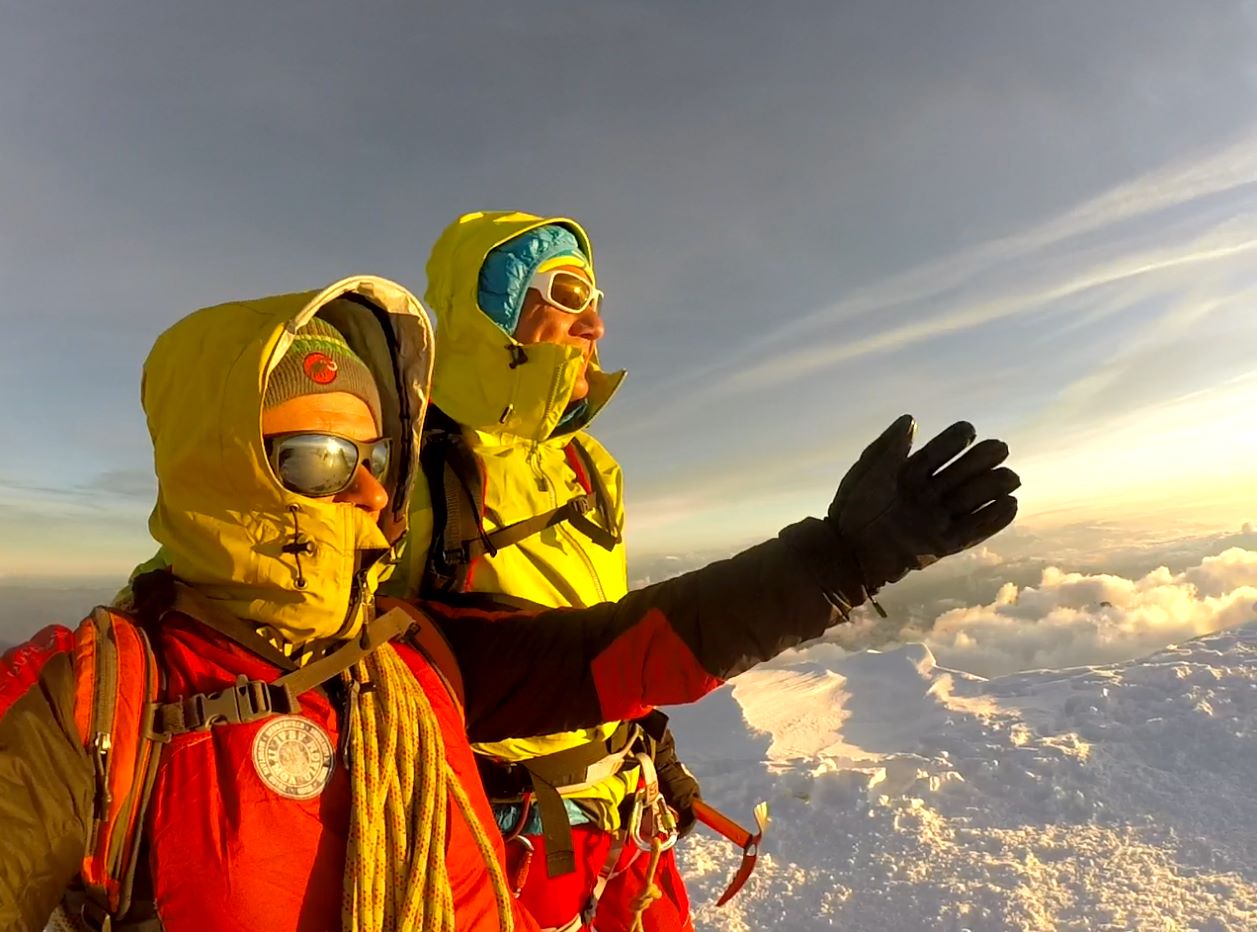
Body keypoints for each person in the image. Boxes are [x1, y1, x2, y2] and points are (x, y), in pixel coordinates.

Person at [0, 276, 1020, 932]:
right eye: (318, 453)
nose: (364, 488)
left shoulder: (415, 660)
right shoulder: (92, 704)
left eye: (374, 456)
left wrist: (842, 557)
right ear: (220, 468)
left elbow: (620, 653)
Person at [384, 211, 699, 932]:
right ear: (493, 308)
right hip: (500, 836)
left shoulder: (589, 465)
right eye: (567, 293)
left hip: (625, 814)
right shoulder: (407, 463)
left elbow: (600, 626)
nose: (595, 325)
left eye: (596, 303)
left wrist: (655, 745)